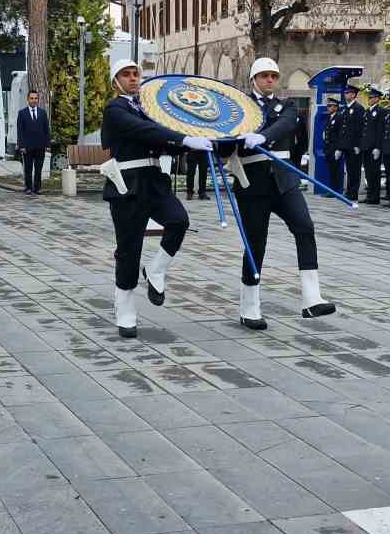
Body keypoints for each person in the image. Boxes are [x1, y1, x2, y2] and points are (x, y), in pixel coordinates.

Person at [102, 59, 211, 338]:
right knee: (129, 248)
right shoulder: (115, 108)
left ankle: (156, 270)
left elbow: (161, 139)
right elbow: (144, 132)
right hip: (128, 184)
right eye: (125, 74)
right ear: (116, 82)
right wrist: (184, 139)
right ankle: (125, 309)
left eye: (136, 73)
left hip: (154, 180)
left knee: (178, 221)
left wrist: (196, 136)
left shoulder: (149, 109)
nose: (133, 78)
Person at [227, 57, 335, 329]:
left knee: (304, 226)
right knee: (255, 244)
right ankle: (249, 307)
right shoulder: (240, 108)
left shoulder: (286, 106)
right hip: (252, 182)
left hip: (284, 180)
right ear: (253, 79)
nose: (269, 80)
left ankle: (312, 297)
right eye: (263, 76)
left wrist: (262, 136)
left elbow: (287, 124)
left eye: (273, 76)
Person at [16, 89, 51, 195]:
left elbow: (46, 130)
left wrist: (47, 144)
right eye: (31, 98)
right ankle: (28, 187)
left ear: (38, 100)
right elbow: (20, 130)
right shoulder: (22, 113)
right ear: (28, 99)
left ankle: (37, 188)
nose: (34, 100)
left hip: (40, 146)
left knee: (38, 169)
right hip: (27, 147)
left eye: (36, 98)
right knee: (28, 168)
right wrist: (21, 145)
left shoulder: (42, 113)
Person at [340, 85, 366, 201]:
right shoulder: (346, 108)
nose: (346, 95)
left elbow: (359, 128)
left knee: (355, 169)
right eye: (346, 93)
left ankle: (353, 192)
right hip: (347, 144)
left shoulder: (358, 108)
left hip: (354, 145)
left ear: (354, 94)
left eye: (348, 93)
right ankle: (349, 190)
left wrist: (358, 145)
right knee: (349, 169)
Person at [362, 87, 386, 205]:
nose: (369, 99)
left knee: (374, 172)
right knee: (368, 172)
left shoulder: (381, 111)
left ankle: (374, 196)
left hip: (374, 147)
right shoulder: (367, 111)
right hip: (366, 146)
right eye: (369, 97)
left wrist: (378, 147)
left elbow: (380, 131)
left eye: (371, 98)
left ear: (377, 99)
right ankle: (370, 194)